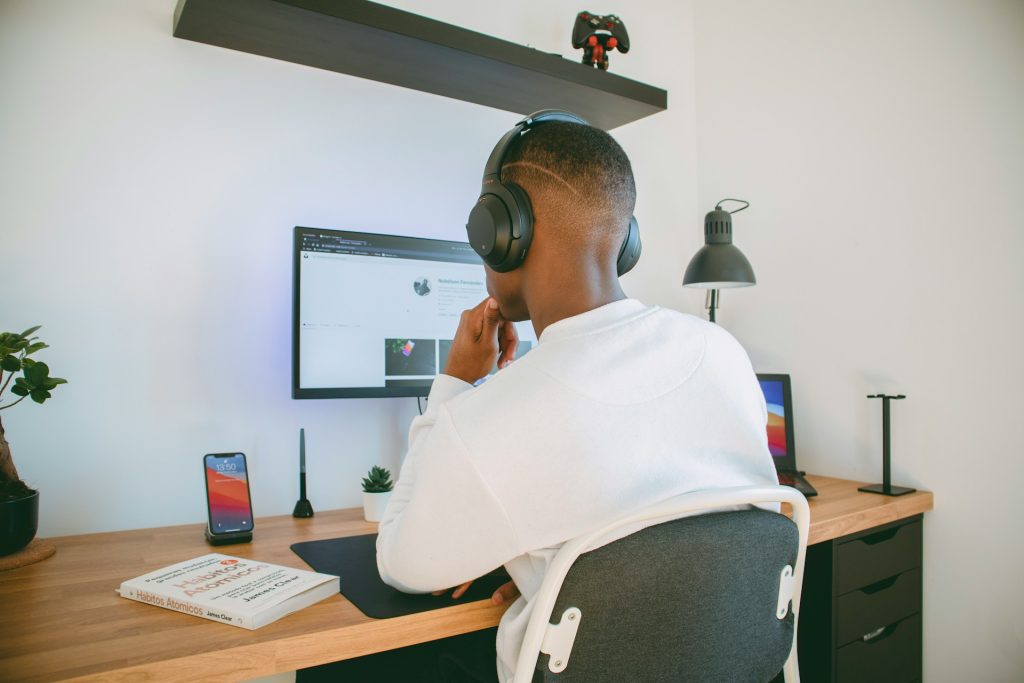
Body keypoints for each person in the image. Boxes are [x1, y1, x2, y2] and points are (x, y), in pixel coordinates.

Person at [302, 117, 777, 682]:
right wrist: (556, 576)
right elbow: (697, 522)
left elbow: (402, 564)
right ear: (624, 239)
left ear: (504, 230)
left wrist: (453, 383)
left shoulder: (495, 413)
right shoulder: (720, 350)